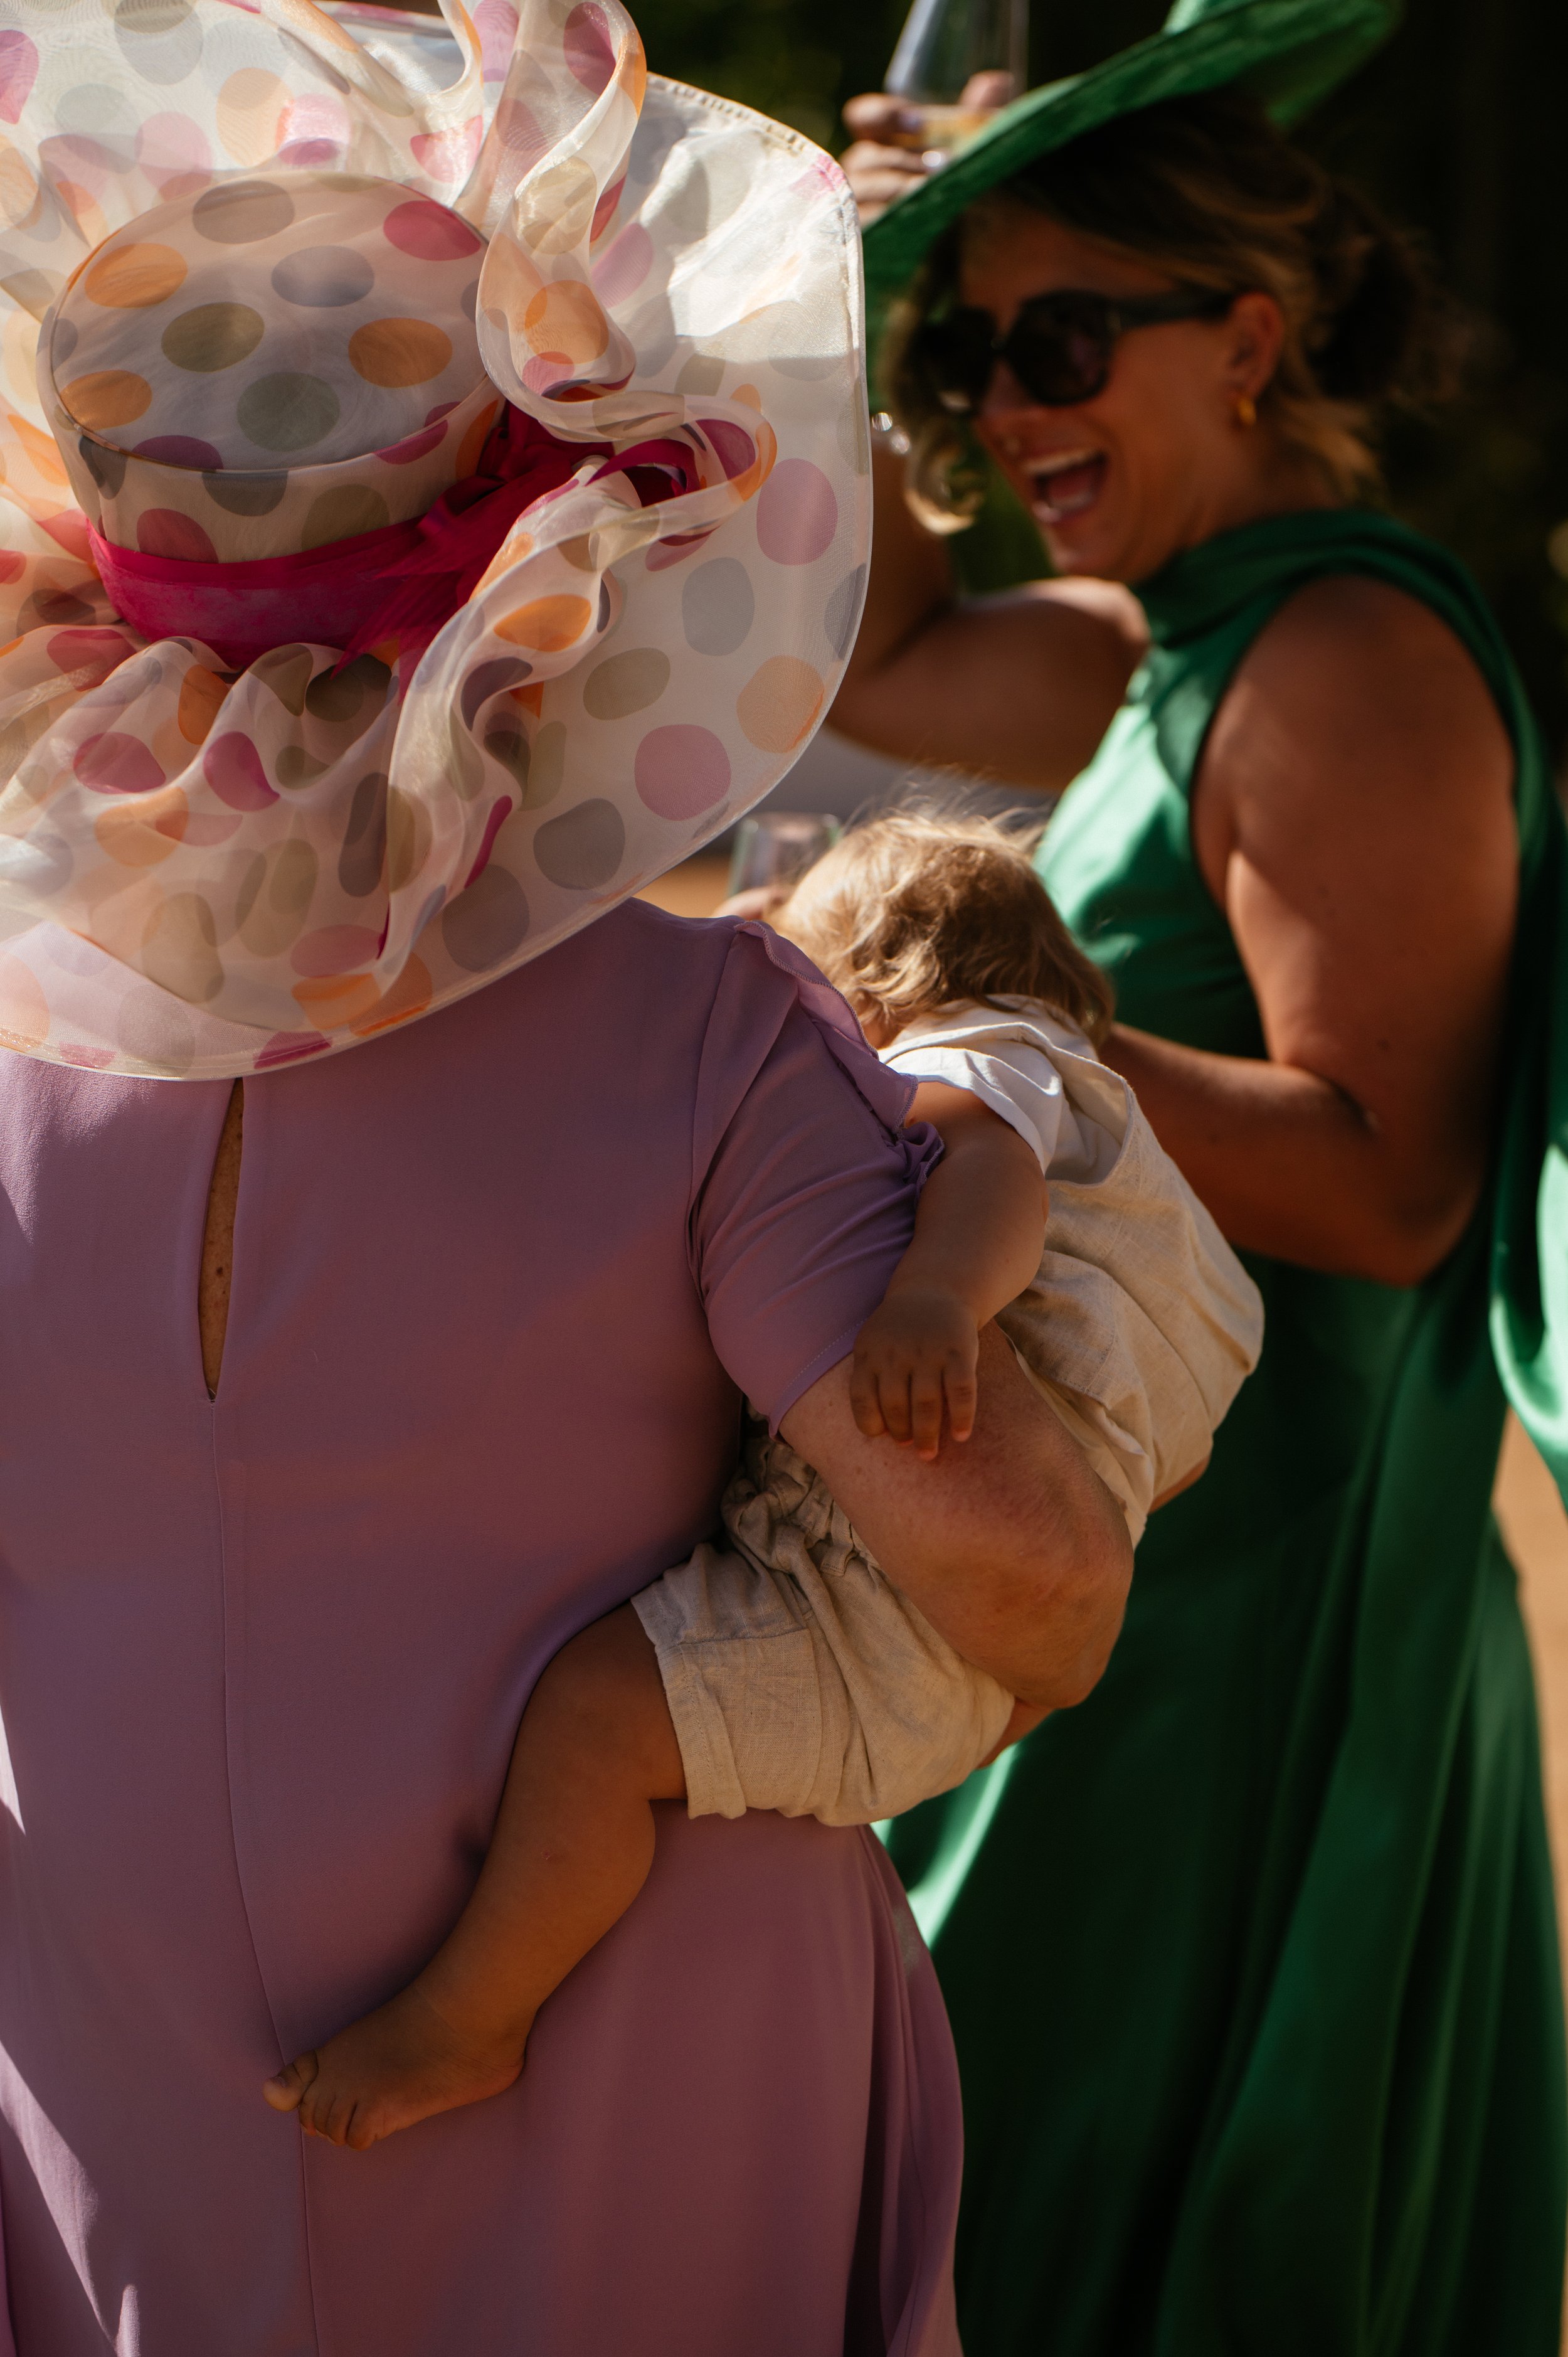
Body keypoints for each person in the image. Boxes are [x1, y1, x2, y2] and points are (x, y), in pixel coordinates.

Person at [0, 6, 1134, 2351]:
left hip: (113, 2101)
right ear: (545, 567)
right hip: (656, 2107)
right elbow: (1030, 1583)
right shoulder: (705, 1037)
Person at [819, 0, 1568, 2349]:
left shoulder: (1338, 654)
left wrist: (1000, 1037)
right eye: (976, 370)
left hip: (1265, 1604)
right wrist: (836, 319)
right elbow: (876, 656)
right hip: (1136, 1538)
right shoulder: (1177, 640)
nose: (1015, 413)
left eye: (1061, 342)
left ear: (1245, 339)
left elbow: (1391, 1183)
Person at [258, 811, 1260, 2151]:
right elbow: (1182, 1451)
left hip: (885, 1607)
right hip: (963, 1632)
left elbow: (985, 1164)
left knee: (598, 1725)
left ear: (881, 990)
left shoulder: (978, 1055)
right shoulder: (1143, 1187)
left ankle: (468, 2018)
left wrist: (934, 1302)